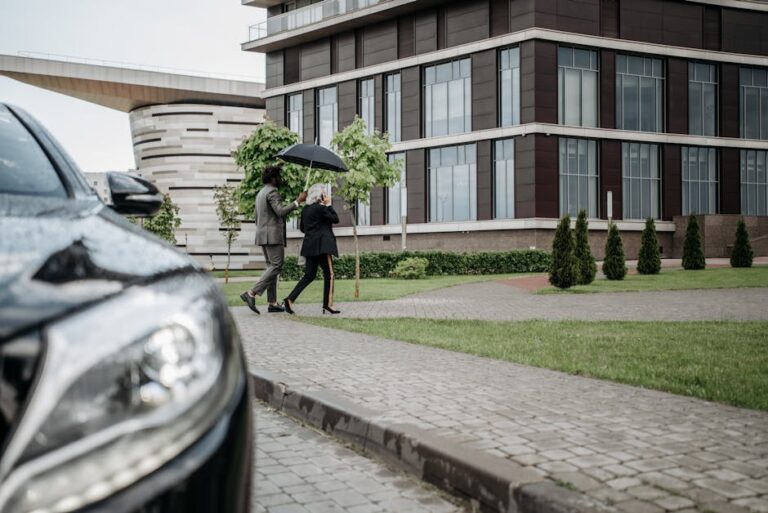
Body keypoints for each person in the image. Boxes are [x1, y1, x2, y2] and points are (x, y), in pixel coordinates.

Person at [240, 165, 306, 314]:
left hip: (262, 235)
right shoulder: (272, 192)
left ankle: (272, 302)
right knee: (276, 265)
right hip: (272, 236)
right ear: (273, 178)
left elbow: (257, 217)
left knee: (272, 267)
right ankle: (251, 293)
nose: (280, 179)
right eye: (278, 176)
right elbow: (280, 211)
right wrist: (297, 201)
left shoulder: (260, 193)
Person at [283, 183, 340, 315]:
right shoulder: (322, 208)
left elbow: (302, 228)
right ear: (320, 195)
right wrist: (329, 204)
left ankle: (290, 299)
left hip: (309, 246)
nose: (325, 195)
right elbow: (336, 219)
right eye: (324, 193)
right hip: (322, 246)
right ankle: (328, 304)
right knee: (329, 275)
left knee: (309, 275)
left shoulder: (305, 210)